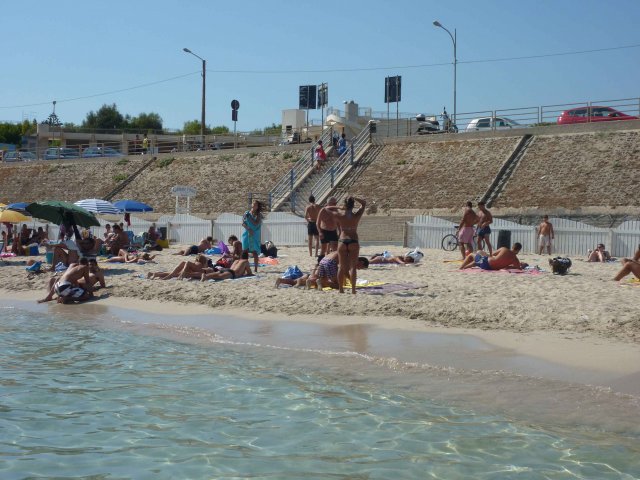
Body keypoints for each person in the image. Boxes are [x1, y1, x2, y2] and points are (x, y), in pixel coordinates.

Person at [324, 196, 366, 294]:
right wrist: (355, 197)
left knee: (341, 267)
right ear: (353, 205)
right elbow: (364, 203)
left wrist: (339, 207)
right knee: (352, 267)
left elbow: (326, 208)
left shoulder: (340, 215)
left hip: (343, 241)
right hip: (353, 240)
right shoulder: (356, 215)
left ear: (345, 205)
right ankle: (353, 290)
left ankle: (341, 289)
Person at [460, 243, 525, 270]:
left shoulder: (503, 249)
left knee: (471, 254)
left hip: (486, 263)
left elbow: (492, 254)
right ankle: (465, 267)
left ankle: (461, 268)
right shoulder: (515, 259)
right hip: (491, 268)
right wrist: (508, 266)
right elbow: (518, 268)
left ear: (512, 247)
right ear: (518, 250)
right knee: (475, 262)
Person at [242, 200, 263, 272]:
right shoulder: (246, 213)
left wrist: (250, 218)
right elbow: (243, 223)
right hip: (246, 233)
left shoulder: (259, 215)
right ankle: (244, 267)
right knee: (245, 251)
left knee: (255, 252)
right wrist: (248, 229)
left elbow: (256, 223)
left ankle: (256, 269)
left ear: (257, 207)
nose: (254, 205)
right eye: (253, 204)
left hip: (255, 234)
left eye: (256, 205)